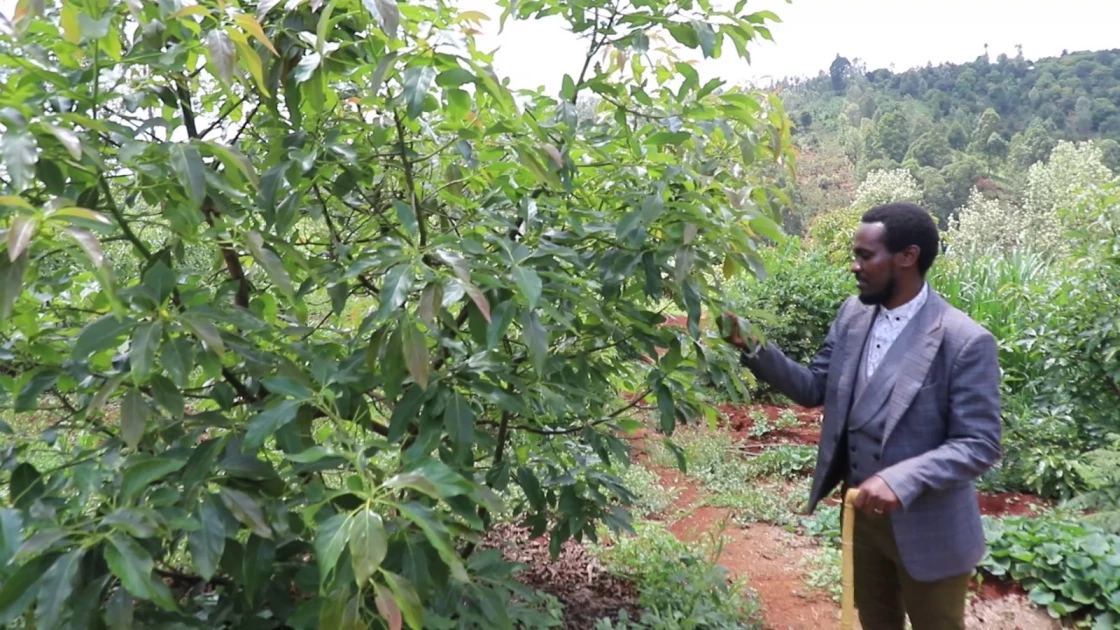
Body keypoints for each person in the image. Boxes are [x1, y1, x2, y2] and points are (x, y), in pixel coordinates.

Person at [721, 202, 1002, 630]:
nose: (854, 266)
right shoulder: (853, 315)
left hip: (932, 531)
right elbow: (815, 388)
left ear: (907, 256)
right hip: (863, 522)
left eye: (865, 256)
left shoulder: (963, 340)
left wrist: (901, 479)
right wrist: (751, 345)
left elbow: (978, 443)